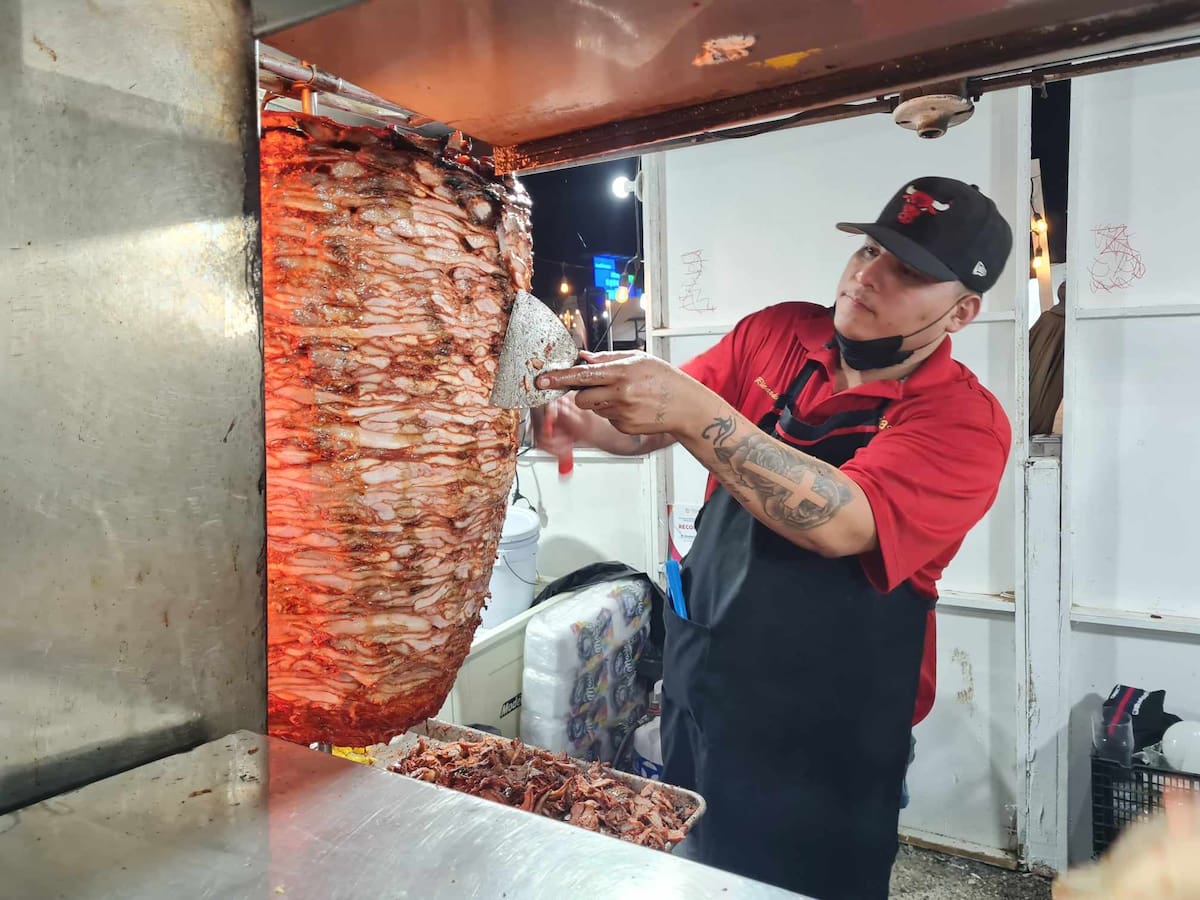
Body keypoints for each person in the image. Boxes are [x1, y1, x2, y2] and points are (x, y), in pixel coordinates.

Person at [534, 176, 1014, 899]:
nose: (867, 276)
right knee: (698, 872)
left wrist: (695, 409)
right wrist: (585, 423)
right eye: (869, 250)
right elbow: (654, 424)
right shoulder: (781, 333)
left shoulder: (962, 421)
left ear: (962, 312)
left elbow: (839, 520)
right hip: (708, 690)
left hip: (826, 741)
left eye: (909, 270)